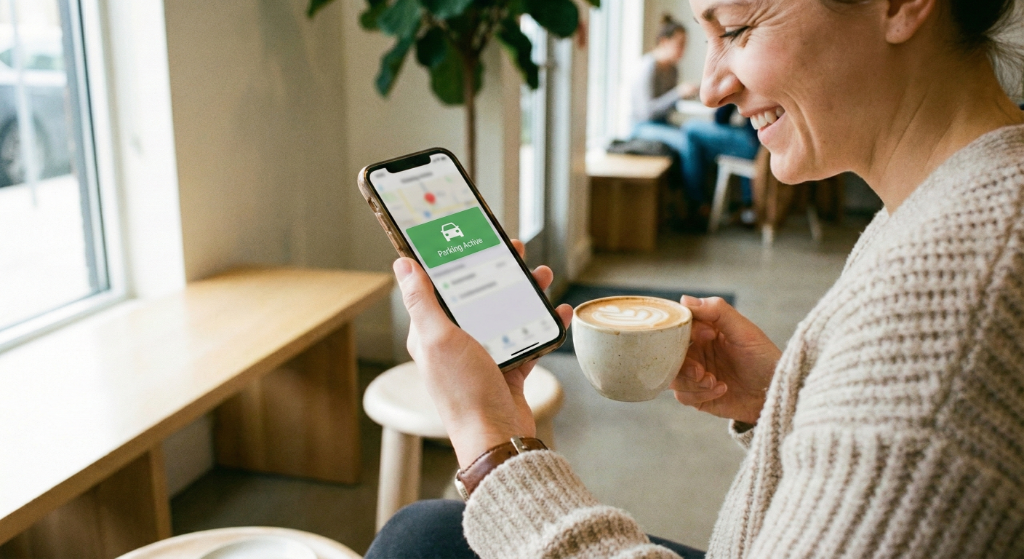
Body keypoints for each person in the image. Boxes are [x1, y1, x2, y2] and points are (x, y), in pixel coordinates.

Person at [367, 0, 1024, 556]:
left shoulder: (958, 297)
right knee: (423, 533)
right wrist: (786, 401)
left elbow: (929, 402)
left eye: (735, 29)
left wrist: (488, 444)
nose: (712, 87)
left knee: (414, 542)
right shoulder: (948, 202)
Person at [628, 15, 699, 166]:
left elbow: (670, 106)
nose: (683, 50)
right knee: (687, 142)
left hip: (663, 123)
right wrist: (678, 93)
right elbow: (646, 112)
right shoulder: (648, 67)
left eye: (685, 44)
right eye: (680, 44)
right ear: (664, 42)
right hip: (642, 127)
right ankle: (693, 191)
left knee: (696, 137)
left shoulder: (673, 69)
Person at [681, 105, 760, 224]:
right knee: (702, 148)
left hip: (753, 143)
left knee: (690, 128)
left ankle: (698, 204)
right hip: (758, 143)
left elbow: (721, 117)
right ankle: (747, 206)